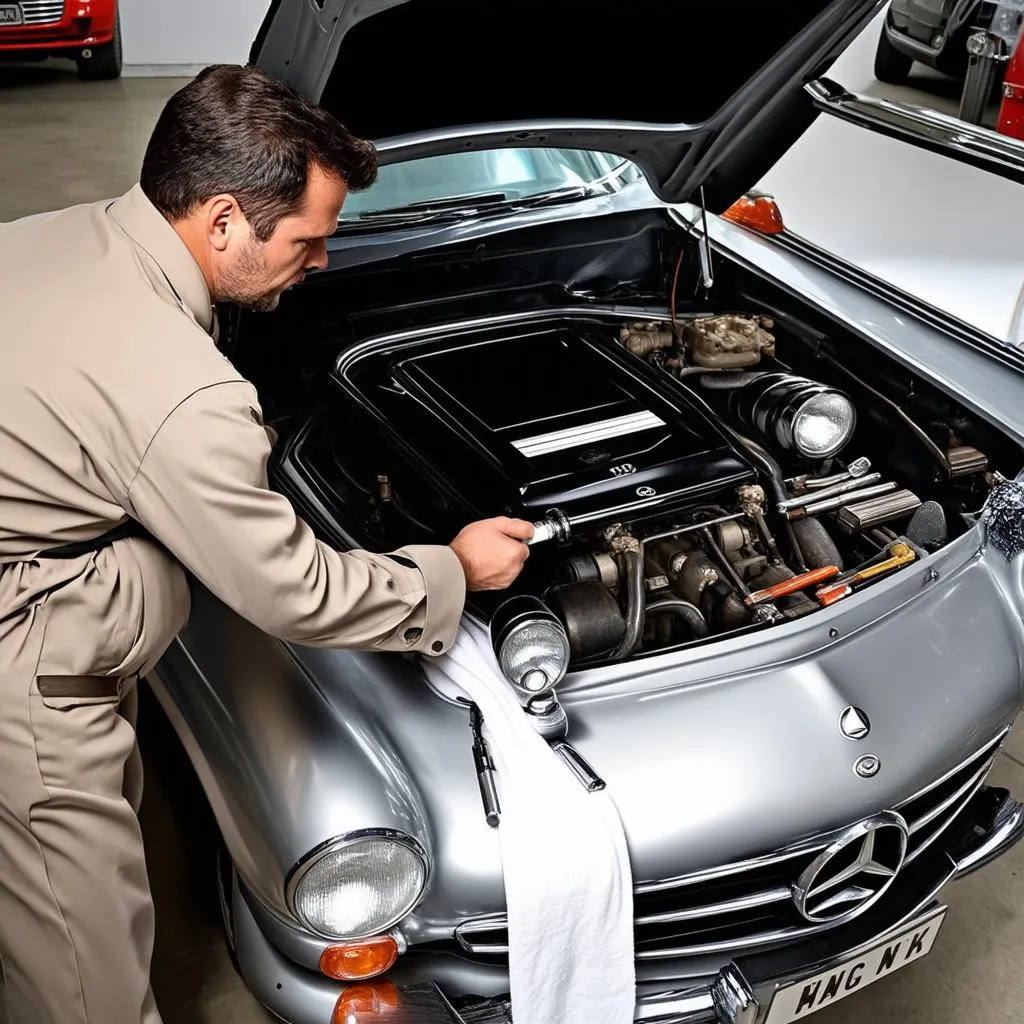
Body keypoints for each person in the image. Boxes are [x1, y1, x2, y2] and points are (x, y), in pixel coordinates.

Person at [0, 64, 533, 1024]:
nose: (323, 263)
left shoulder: (54, 234)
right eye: (307, 242)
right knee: (86, 975)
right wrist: (454, 569)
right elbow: (295, 593)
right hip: (18, 657)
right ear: (221, 221)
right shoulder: (184, 394)